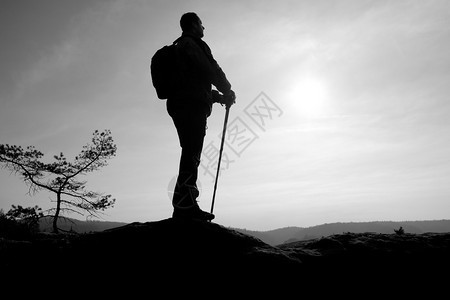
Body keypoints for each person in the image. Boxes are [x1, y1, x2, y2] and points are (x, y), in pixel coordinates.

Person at [167, 12, 236, 221]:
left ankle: (183, 205)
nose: (204, 28)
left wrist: (216, 97)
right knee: (192, 154)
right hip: (191, 106)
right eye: (201, 24)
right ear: (194, 25)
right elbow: (210, 70)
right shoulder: (194, 45)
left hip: (179, 104)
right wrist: (227, 90)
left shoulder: (179, 47)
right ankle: (185, 206)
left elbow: (193, 84)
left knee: (190, 152)